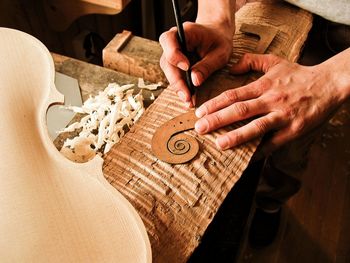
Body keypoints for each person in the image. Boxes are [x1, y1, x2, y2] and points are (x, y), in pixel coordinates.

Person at [159, 0, 350, 248]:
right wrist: (215, 17)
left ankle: (270, 203)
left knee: (291, 142)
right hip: (268, 6)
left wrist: (332, 79)